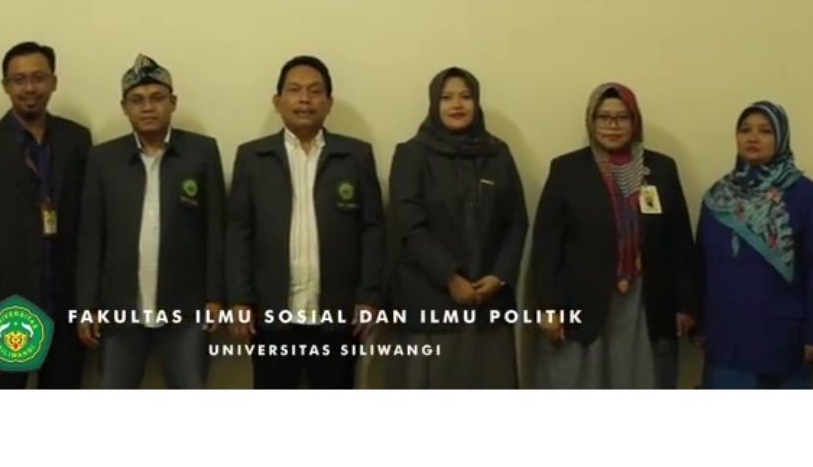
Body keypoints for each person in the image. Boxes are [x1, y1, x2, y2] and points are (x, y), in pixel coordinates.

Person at [226, 55, 385, 388]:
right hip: (272, 315)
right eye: (294, 90)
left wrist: (369, 297)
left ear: (328, 102)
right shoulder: (253, 158)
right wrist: (240, 299)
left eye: (314, 91)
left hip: (338, 315)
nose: (304, 99)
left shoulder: (355, 156)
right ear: (278, 101)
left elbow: (372, 230)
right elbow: (239, 232)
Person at [532, 82, 698, 389]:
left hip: (644, 301)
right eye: (604, 117)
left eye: (622, 117)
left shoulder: (662, 169)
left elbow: (680, 242)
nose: (612, 125)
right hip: (583, 300)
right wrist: (549, 307)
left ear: (635, 121)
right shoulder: (567, 170)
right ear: (591, 121)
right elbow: (546, 248)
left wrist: (685, 304)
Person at [76, 54, 227, 388]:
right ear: (124, 107)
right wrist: (87, 305)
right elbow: (91, 238)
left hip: (186, 307)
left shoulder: (201, 152)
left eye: (157, 98)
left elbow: (215, 230)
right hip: (119, 308)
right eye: (137, 100)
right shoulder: (103, 159)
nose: (148, 107)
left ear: (173, 102)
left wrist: (216, 296)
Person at [0, 41, 92, 388]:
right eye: (19, 80)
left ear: (54, 82)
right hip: (7, 300)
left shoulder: (77, 139)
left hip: (65, 298)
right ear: (6, 86)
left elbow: (88, 224)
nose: (30, 88)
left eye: (39, 78)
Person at [387, 67, 528, 388]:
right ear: (434, 104)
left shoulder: (497, 153)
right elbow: (410, 224)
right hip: (430, 300)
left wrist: (499, 276)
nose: (457, 104)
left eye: (466, 96)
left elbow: (516, 221)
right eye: (447, 97)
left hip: (488, 303)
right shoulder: (412, 154)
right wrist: (450, 277)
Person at [697, 101, 813, 389]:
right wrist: (700, 324)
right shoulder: (718, 197)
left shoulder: (805, 196)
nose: (753, 137)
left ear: (781, 137)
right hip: (726, 337)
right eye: (745, 130)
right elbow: (702, 265)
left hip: (783, 340)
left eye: (765, 131)